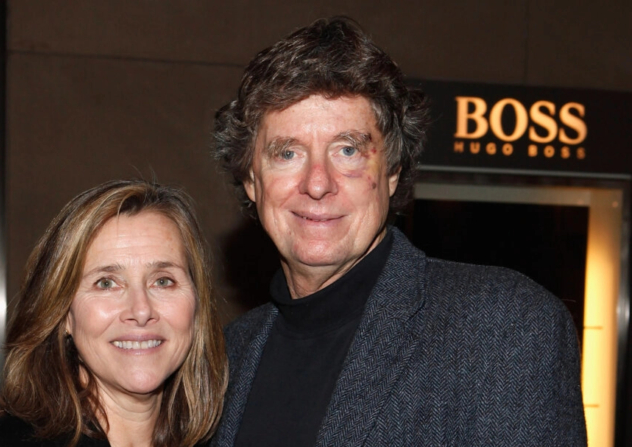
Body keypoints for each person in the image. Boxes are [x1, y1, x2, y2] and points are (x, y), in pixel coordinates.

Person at [210, 17, 586, 446]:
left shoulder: (503, 328)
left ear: (391, 171)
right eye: (288, 152)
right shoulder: (229, 357)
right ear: (251, 181)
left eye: (347, 150)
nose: (317, 183)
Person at [0, 180, 228, 447]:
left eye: (163, 281)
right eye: (106, 283)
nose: (142, 310)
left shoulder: (234, 434)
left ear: (196, 304)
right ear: (63, 315)